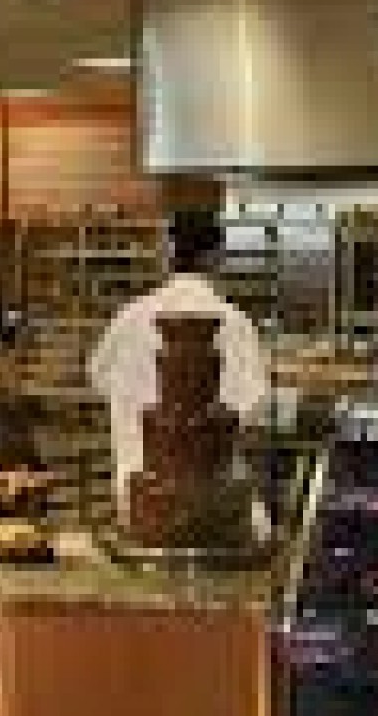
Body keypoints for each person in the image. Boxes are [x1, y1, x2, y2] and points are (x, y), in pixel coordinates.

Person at [89, 211, 270, 525]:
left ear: (169, 255)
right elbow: (254, 408)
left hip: (137, 499)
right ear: (215, 257)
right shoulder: (235, 323)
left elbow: (98, 378)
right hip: (213, 507)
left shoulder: (128, 318)